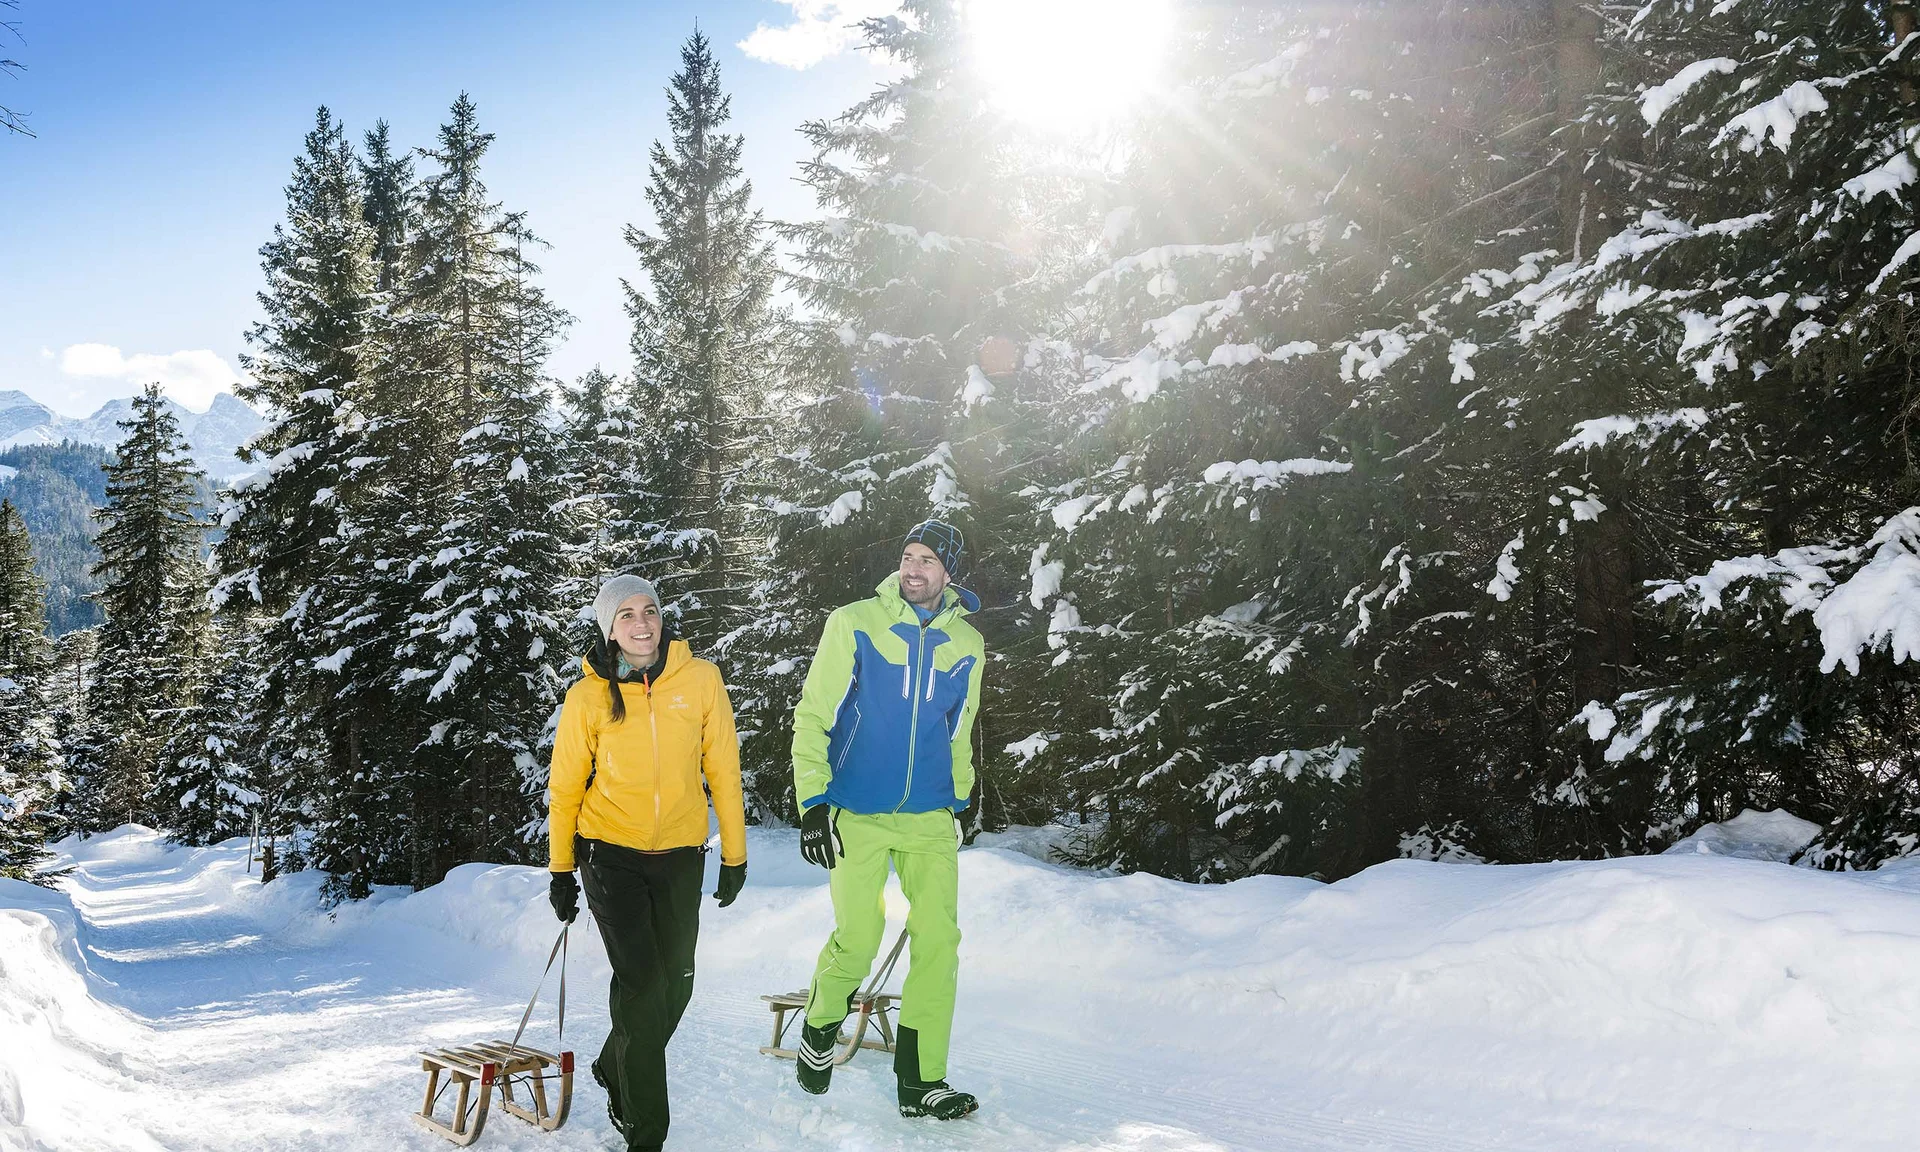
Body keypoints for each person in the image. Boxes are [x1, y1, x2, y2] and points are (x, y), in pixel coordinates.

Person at [789, 520, 985, 1120]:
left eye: (927, 560)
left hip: (929, 815)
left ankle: (922, 1080)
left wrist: (962, 798)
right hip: (858, 812)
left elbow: (959, 729)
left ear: (948, 573)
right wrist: (813, 803)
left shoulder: (968, 645)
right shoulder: (853, 623)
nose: (914, 569)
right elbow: (813, 714)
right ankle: (821, 1022)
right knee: (860, 939)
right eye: (908, 556)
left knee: (939, 943)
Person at [546, 575, 748, 1152]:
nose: (641, 623)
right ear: (609, 628)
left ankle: (616, 1064)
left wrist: (734, 852)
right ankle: (646, 1133)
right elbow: (564, 789)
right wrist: (562, 870)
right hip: (610, 856)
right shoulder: (587, 697)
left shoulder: (701, 680)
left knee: (676, 985)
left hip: (682, 854)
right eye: (626, 615)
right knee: (641, 985)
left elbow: (724, 772)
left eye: (650, 611)